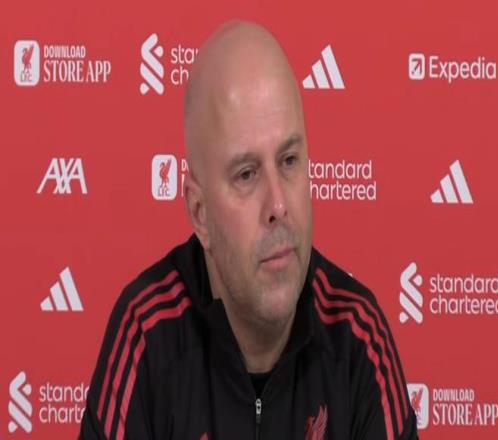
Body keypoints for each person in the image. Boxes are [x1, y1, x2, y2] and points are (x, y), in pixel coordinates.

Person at [80, 20, 418, 440]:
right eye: (246, 174)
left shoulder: (357, 336)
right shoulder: (146, 334)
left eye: (289, 161)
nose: (278, 205)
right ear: (200, 213)